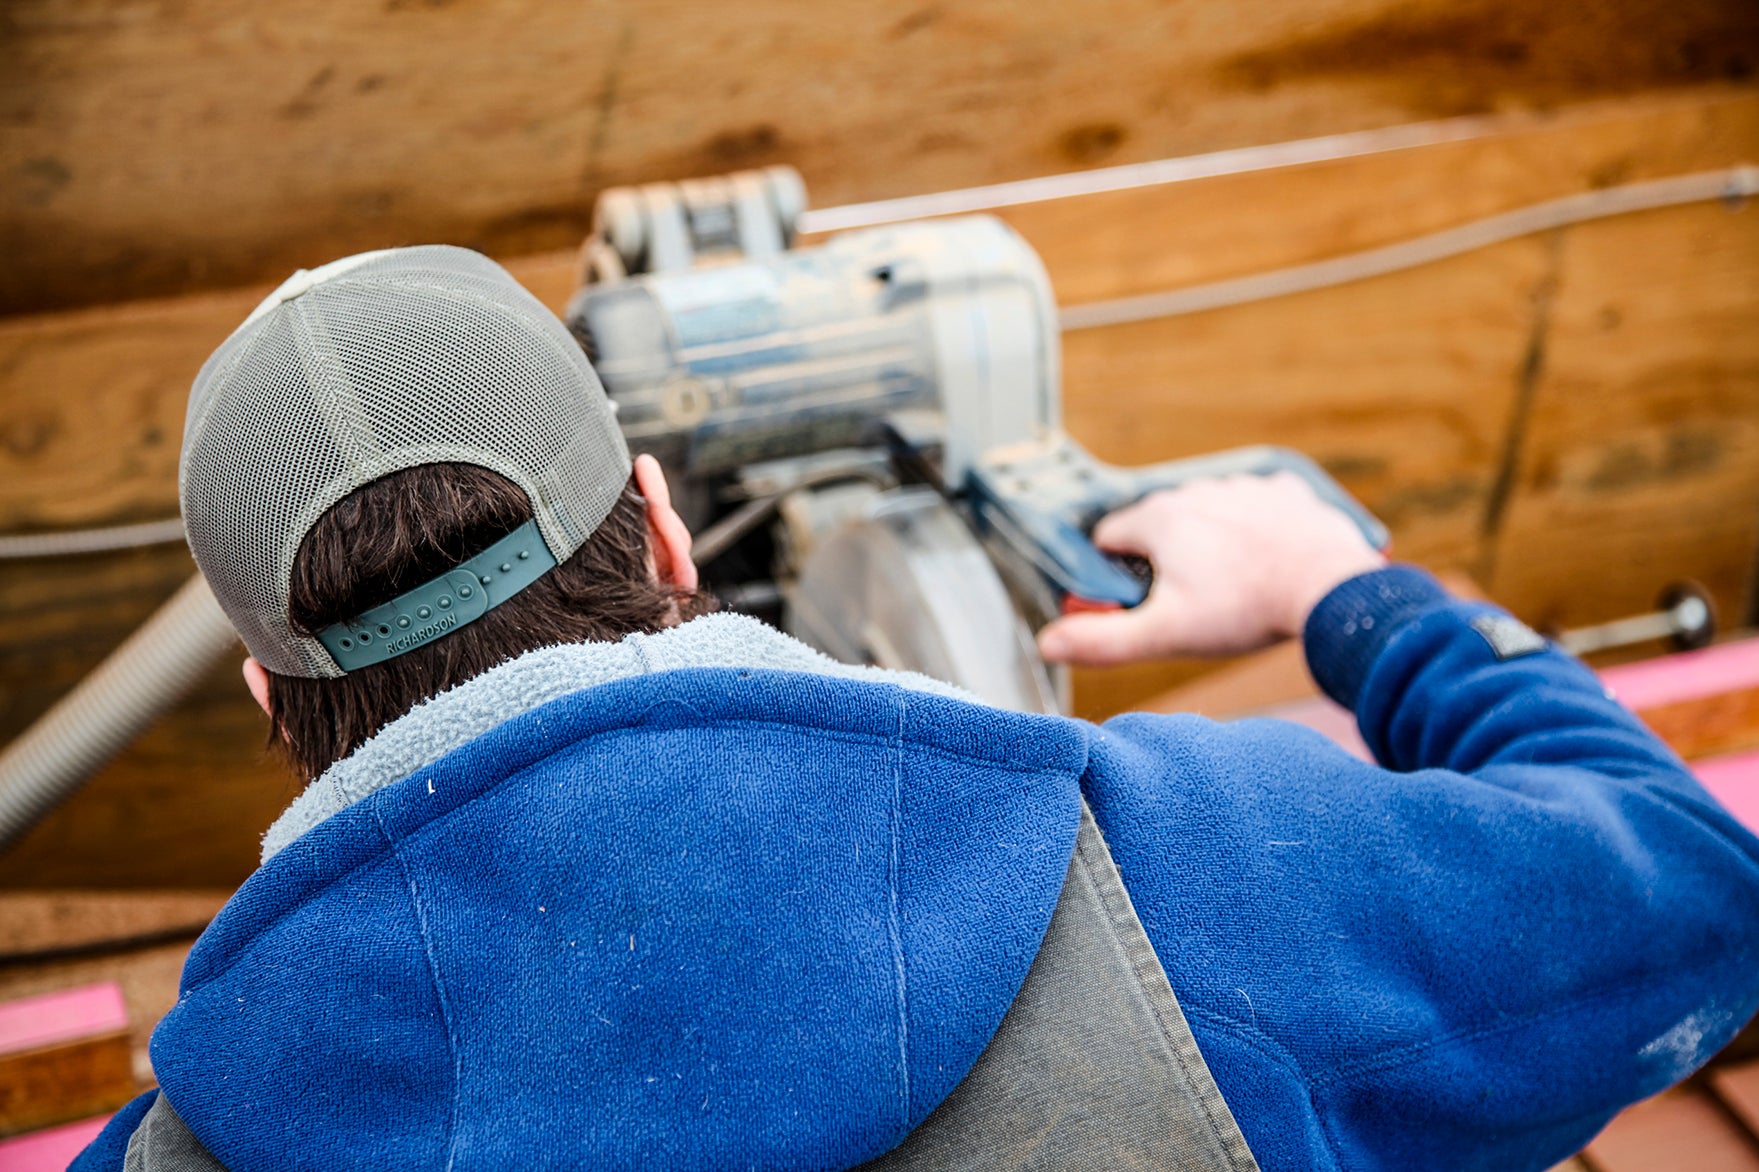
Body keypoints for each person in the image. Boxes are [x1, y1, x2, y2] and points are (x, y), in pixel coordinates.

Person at [76, 246, 1759, 1172]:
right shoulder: (1189, 894)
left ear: (268, 702)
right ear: (663, 523)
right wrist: (1347, 595)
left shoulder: (172, 1153)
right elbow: (1692, 891)